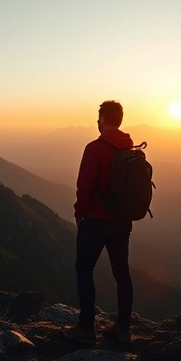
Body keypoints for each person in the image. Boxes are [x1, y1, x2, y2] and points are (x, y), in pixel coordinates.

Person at [62, 100, 134, 345]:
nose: (97, 122)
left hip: (95, 221)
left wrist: (78, 213)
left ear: (103, 119)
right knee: (122, 272)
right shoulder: (129, 148)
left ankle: (86, 328)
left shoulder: (94, 148)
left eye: (98, 118)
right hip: (122, 222)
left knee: (84, 269)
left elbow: (84, 187)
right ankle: (123, 329)